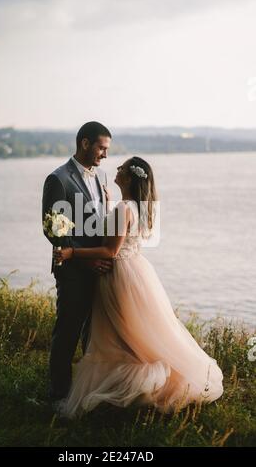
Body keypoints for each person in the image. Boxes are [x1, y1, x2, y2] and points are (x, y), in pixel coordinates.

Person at [54, 156, 224, 419]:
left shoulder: (124, 208)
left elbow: (110, 250)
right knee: (136, 334)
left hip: (119, 276)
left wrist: (71, 253)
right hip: (137, 271)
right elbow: (122, 232)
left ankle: (136, 390)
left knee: (121, 337)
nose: (117, 169)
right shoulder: (137, 207)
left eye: (122, 168)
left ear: (130, 178)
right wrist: (110, 205)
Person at [42, 121, 112, 412]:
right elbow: (54, 230)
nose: (105, 155)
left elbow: (100, 222)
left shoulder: (102, 175)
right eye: (101, 148)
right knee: (68, 330)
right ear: (84, 143)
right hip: (72, 271)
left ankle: (87, 392)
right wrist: (86, 257)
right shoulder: (58, 179)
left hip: (100, 268)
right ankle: (58, 395)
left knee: (93, 333)